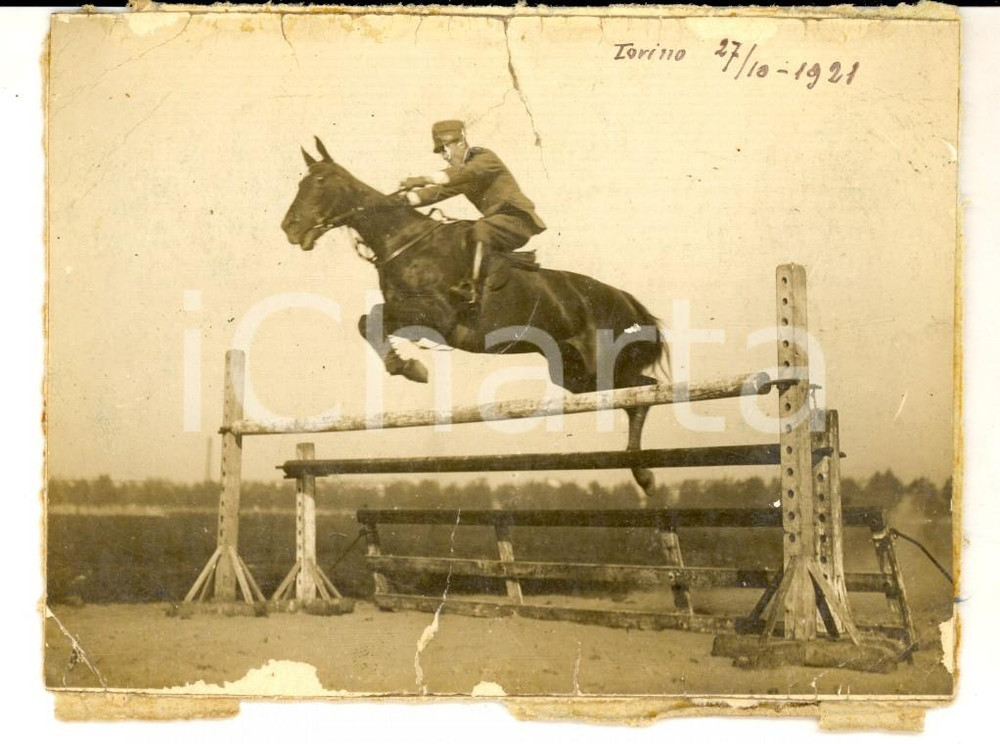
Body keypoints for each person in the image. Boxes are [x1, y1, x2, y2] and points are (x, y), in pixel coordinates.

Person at [396, 120, 546, 303]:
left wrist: (422, 179)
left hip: (517, 220)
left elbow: (462, 173)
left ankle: (472, 290)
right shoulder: (461, 175)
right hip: (498, 224)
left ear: (460, 142)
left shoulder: (484, 157)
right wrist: (395, 201)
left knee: (481, 229)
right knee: (460, 233)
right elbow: (434, 193)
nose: (444, 156)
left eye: (445, 150)